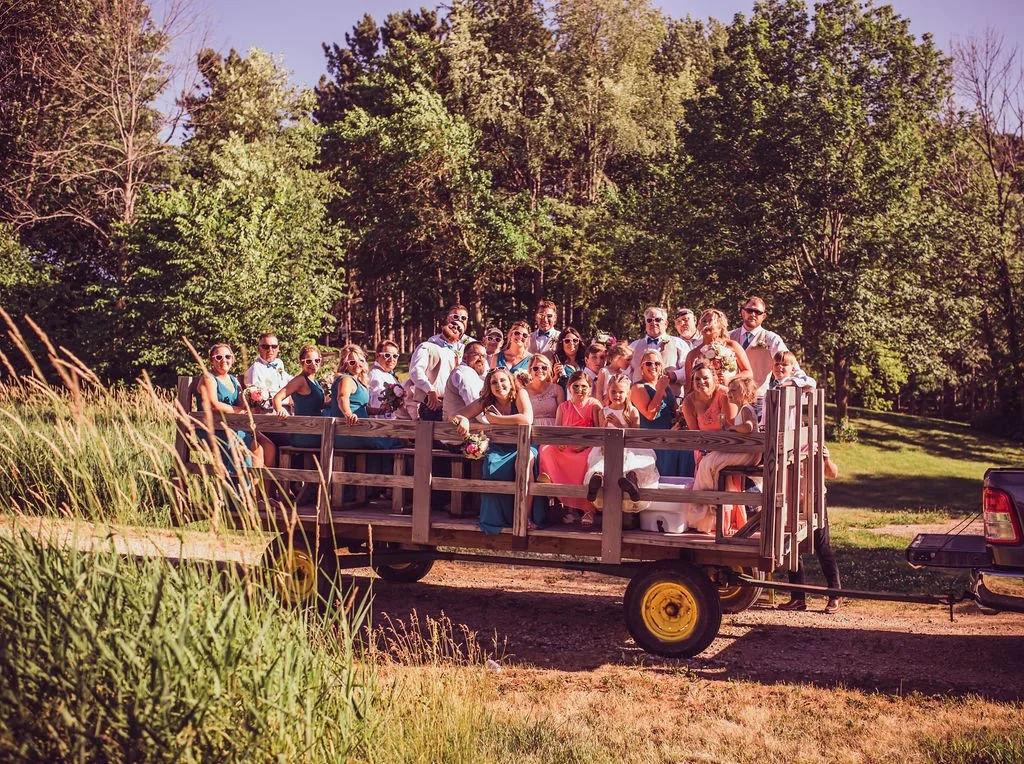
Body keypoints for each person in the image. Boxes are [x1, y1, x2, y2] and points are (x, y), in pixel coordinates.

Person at [450, 368, 547, 534]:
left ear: (510, 382)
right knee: (491, 467)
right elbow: (456, 415)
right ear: (489, 386)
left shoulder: (520, 394)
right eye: (494, 382)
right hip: (500, 447)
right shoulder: (486, 401)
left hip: (524, 445)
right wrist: (463, 420)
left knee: (523, 463)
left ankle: (525, 515)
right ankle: (499, 518)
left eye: (503, 380)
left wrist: (496, 420)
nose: (499, 385)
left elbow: (526, 419)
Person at [684, 374, 760, 535]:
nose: (729, 393)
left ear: (744, 393)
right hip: (745, 450)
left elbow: (748, 427)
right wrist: (727, 425)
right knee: (709, 461)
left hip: (748, 453)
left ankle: (707, 500)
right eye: (729, 390)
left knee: (709, 462)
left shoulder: (746, 409)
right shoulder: (742, 409)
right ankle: (708, 497)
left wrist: (733, 429)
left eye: (733, 390)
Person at [778, 445, 842, 613]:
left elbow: (833, 473)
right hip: (792, 500)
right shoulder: (786, 444)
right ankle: (798, 598)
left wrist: (826, 459)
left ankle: (835, 594)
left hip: (815, 499)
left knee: (822, 546)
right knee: (793, 547)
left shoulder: (815, 445)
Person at [583, 373, 660, 513]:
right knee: (601, 461)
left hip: (629, 446)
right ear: (608, 391)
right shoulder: (603, 412)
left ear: (627, 393)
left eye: (620, 392)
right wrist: (605, 429)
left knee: (634, 462)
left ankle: (632, 482)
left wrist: (619, 425)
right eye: (613, 391)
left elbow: (635, 435)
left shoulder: (631, 411)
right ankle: (597, 480)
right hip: (609, 446)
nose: (617, 395)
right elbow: (601, 432)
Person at [195, 343, 274, 469]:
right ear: (211, 360)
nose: (224, 360)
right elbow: (213, 405)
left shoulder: (234, 380)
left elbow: (241, 403)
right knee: (256, 450)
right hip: (215, 428)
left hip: (235, 425)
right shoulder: (208, 378)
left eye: (227, 356)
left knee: (268, 446)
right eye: (218, 357)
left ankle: (262, 489)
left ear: (232, 358)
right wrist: (241, 411)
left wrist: (254, 400)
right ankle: (244, 486)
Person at [538, 370, 601, 526]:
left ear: (590, 387)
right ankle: (550, 480)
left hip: (587, 445)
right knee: (546, 448)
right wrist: (560, 442)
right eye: (576, 386)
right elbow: (558, 430)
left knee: (584, 461)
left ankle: (588, 510)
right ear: (569, 387)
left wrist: (585, 444)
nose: (580, 390)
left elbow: (600, 431)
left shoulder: (594, 405)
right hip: (567, 444)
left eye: (584, 386)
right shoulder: (564, 406)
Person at [632, 349, 692, 478]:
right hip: (653, 438)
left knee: (690, 451)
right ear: (641, 367)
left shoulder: (665, 385)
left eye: (657, 364)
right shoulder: (638, 388)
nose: (653, 367)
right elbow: (650, 415)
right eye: (648, 363)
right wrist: (659, 391)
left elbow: (674, 409)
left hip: (671, 435)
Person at [271, 344, 330, 449]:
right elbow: (277, 397)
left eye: (317, 360)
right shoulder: (300, 380)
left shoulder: (314, 381)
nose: (313, 364)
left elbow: (316, 406)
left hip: (317, 427)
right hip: (305, 431)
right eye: (308, 361)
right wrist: (280, 409)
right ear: (301, 362)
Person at [728, 296, 792, 390]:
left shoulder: (772, 339)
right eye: (749, 310)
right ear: (743, 312)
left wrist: (803, 382)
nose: (753, 314)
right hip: (729, 396)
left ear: (764, 316)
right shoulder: (729, 337)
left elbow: (789, 364)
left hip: (758, 398)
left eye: (758, 312)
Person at [405, 319, 464, 421]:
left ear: (458, 339)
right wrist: (430, 390)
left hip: (452, 407)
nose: (455, 327)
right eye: (453, 324)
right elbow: (415, 371)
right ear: (442, 326)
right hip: (431, 405)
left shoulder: (458, 355)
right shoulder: (427, 346)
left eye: (459, 329)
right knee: (428, 435)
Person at [684, 308, 752, 392]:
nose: (707, 324)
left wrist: (730, 379)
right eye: (704, 321)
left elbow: (748, 372)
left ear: (720, 326)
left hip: (727, 394)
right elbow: (688, 386)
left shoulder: (732, 346)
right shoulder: (693, 354)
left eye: (711, 321)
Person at [629, 307, 686, 395]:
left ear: (666, 324)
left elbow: (689, 369)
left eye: (658, 320)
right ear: (645, 323)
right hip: (640, 400)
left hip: (671, 398)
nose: (653, 323)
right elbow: (625, 372)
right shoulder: (634, 346)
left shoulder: (678, 343)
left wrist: (675, 375)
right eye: (649, 320)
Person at [442, 341, 488, 426]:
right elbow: (474, 403)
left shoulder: (473, 374)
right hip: (456, 435)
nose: (481, 359)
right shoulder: (464, 372)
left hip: (465, 433)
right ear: (465, 356)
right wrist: (494, 422)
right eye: (476, 354)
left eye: (484, 356)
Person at [244, 332, 292, 410]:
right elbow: (260, 399)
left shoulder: (279, 362)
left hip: (286, 408)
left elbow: (287, 379)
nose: (270, 350)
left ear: (278, 348)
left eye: (274, 346)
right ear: (259, 348)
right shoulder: (256, 369)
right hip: (269, 411)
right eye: (266, 347)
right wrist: (287, 400)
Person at [524, 353, 564, 426]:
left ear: (548, 370)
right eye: (535, 368)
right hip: (533, 431)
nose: (540, 370)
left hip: (554, 430)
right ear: (530, 370)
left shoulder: (557, 389)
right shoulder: (524, 392)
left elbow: (563, 415)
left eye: (544, 368)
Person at [367, 340, 401, 419]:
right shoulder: (375, 376)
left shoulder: (389, 375)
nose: (391, 359)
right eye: (387, 355)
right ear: (377, 355)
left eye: (395, 356)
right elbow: (376, 405)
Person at [551, 326, 585, 391]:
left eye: (575, 340)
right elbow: (550, 388)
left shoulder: (585, 361)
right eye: (567, 341)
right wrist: (556, 377)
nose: (571, 343)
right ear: (562, 343)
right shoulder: (556, 362)